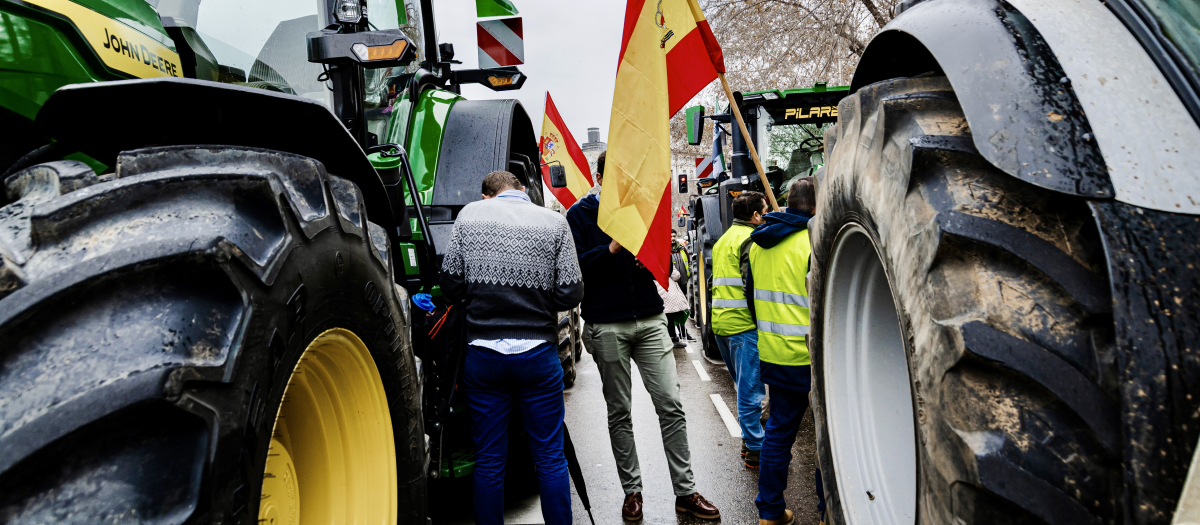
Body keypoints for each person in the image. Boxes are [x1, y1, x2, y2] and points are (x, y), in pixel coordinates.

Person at [567, 152, 720, 521]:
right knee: (620, 412)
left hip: (651, 319)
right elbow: (575, 268)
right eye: (615, 177)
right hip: (607, 324)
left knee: (671, 404)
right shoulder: (579, 216)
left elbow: (667, 266)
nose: (623, 183)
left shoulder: (641, 209)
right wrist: (611, 249)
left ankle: (686, 492)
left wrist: (652, 260)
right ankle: (632, 491)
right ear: (599, 177)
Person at [440, 171, 584, 525]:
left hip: (483, 357)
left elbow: (450, 286)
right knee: (550, 456)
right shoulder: (554, 222)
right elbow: (571, 292)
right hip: (538, 355)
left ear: (487, 195)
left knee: (489, 459)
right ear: (522, 190)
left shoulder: (469, 216)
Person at [749, 177, 816, 525]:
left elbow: (751, 299)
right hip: (811, 357)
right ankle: (826, 512)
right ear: (817, 207)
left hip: (774, 354)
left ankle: (770, 511)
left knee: (777, 434)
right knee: (827, 439)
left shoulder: (758, 243)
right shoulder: (812, 240)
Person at [710, 191, 769, 468]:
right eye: (764, 211)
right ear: (755, 215)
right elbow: (750, 285)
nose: (766, 214)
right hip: (743, 325)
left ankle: (750, 440)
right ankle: (756, 449)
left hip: (722, 324)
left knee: (743, 387)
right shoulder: (748, 239)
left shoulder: (723, 240)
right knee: (750, 391)